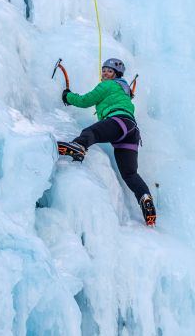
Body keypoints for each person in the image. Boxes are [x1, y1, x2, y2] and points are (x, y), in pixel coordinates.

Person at [61, 58, 156, 226]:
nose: (105, 73)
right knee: (130, 174)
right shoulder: (124, 90)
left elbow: (85, 101)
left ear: (116, 74)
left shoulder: (108, 85)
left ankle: (78, 147)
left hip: (118, 121)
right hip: (131, 131)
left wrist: (67, 96)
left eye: (109, 71)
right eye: (104, 70)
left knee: (90, 132)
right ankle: (145, 199)